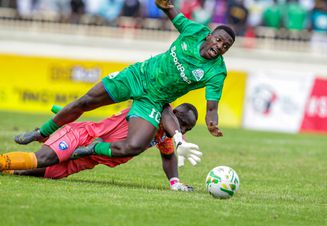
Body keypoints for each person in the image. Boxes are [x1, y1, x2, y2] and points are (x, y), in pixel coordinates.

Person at [15, 0, 235, 165]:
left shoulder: (217, 72)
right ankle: (41, 133)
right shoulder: (195, 30)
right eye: (219, 40)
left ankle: (92, 148)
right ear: (209, 35)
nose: (220, 46)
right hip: (136, 76)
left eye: (225, 46)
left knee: (135, 146)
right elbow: (169, 9)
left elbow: (212, 108)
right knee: (85, 102)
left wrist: (212, 124)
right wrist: (163, 4)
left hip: (153, 100)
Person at [1, 103, 200, 191]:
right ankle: (41, 135)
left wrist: (175, 183)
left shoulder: (163, 137)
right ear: (173, 114)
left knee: (33, 171)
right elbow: (165, 109)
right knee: (42, 158)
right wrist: (178, 135)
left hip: (87, 160)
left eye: (187, 128)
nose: (181, 129)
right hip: (82, 137)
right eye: (180, 122)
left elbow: (168, 157)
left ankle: (7, 166)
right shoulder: (154, 109)